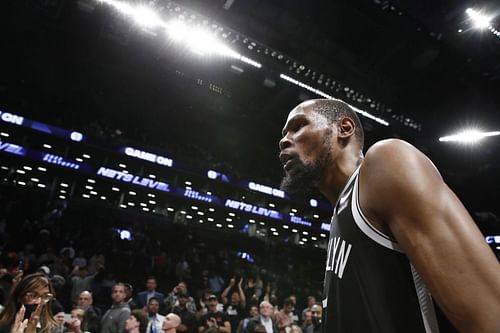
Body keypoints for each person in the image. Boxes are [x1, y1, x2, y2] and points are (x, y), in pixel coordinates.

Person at [278, 98, 500, 332]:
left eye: (298, 126)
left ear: (344, 129)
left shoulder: (385, 162)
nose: (284, 140)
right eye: (284, 133)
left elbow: (491, 314)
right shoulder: (340, 215)